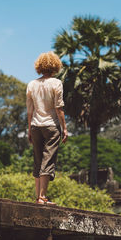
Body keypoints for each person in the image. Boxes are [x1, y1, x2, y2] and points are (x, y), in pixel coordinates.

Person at [26, 51, 68, 205]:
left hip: (36, 125)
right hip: (51, 125)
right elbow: (59, 108)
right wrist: (65, 128)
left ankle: (38, 197)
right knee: (48, 160)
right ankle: (43, 197)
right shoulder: (56, 83)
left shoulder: (31, 84)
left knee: (38, 160)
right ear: (55, 65)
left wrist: (29, 129)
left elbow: (30, 110)